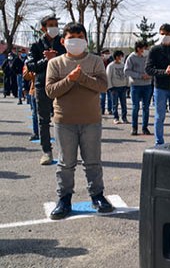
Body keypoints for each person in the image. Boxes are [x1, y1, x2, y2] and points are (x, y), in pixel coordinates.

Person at [45, 22, 114, 219]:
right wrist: (70, 79)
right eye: (71, 39)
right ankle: (64, 199)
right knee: (66, 163)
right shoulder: (55, 63)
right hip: (64, 120)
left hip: (91, 119)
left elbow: (102, 86)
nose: (76, 42)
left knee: (92, 161)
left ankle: (97, 195)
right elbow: (50, 91)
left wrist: (81, 77)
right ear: (63, 41)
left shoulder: (95, 61)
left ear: (86, 40)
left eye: (80, 38)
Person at [26, 14, 67, 165]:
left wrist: (55, 58)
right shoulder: (36, 45)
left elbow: (69, 60)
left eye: (56, 24)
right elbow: (31, 66)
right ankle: (46, 152)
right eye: (51, 25)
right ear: (43, 28)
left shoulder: (62, 43)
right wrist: (46, 60)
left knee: (64, 119)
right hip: (42, 86)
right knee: (43, 120)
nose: (54, 27)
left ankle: (65, 151)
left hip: (61, 85)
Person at [124, 41, 153, 135]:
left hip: (147, 85)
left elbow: (153, 68)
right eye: (142, 49)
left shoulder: (148, 57)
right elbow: (127, 71)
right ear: (138, 49)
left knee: (146, 107)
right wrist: (140, 76)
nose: (144, 50)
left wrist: (150, 75)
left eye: (145, 49)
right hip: (136, 85)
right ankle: (134, 127)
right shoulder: (131, 58)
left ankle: (145, 127)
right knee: (135, 107)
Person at [106, 50, 129, 125]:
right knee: (115, 104)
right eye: (120, 56)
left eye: (122, 56)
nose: (121, 58)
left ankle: (124, 118)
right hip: (114, 88)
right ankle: (116, 118)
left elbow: (127, 75)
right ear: (116, 57)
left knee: (124, 104)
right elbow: (108, 77)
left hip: (123, 87)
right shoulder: (111, 66)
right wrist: (110, 87)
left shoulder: (123, 65)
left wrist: (127, 85)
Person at [99, 48, 113, 115]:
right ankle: (102, 110)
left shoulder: (111, 60)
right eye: (106, 54)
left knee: (110, 97)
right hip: (102, 81)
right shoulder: (99, 61)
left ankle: (110, 109)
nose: (107, 55)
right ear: (102, 54)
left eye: (108, 54)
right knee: (102, 97)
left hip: (109, 81)